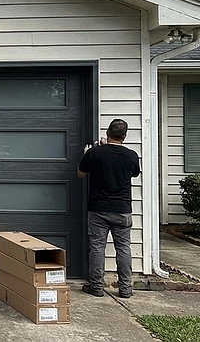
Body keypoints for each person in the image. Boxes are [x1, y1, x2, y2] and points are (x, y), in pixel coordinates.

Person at [77, 118, 141, 298]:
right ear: (124, 136)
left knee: (97, 247)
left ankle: (96, 287)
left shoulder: (94, 153)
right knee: (124, 248)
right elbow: (134, 173)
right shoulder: (131, 155)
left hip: (98, 209)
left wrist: (88, 154)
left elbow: (80, 174)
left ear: (107, 133)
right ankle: (126, 289)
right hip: (122, 209)